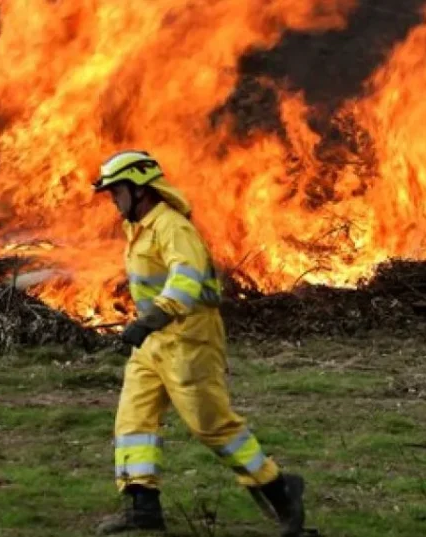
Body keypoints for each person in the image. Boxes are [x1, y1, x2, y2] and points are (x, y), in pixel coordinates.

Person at [91, 150, 312, 537]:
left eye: (116, 190)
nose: (111, 198)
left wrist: (155, 316)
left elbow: (186, 278)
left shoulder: (172, 227)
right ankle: (143, 507)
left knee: (212, 425)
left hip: (190, 338)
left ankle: (280, 489)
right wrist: (150, 325)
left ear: (140, 189)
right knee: (133, 419)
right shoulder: (139, 226)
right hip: (155, 342)